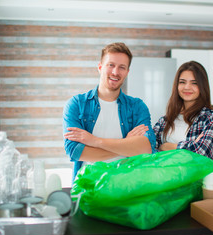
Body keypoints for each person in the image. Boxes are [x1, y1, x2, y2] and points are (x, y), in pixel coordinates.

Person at [63, 42, 156, 180]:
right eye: (111, 65)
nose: (115, 72)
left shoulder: (137, 107)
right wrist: (126, 144)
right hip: (87, 190)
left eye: (122, 67)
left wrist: (95, 141)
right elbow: (75, 151)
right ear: (100, 67)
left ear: (127, 72)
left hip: (127, 188)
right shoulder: (76, 104)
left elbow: (147, 148)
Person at [153, 61, 213, 162]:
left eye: (194, 83)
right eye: (182, 82)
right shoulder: (165, 120)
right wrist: (191, 146)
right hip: (167, 176)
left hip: (199, 178)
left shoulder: (211, 118)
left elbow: (202, 154)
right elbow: (149, 148)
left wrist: (166, 146)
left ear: (202, 87)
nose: (187, 87)